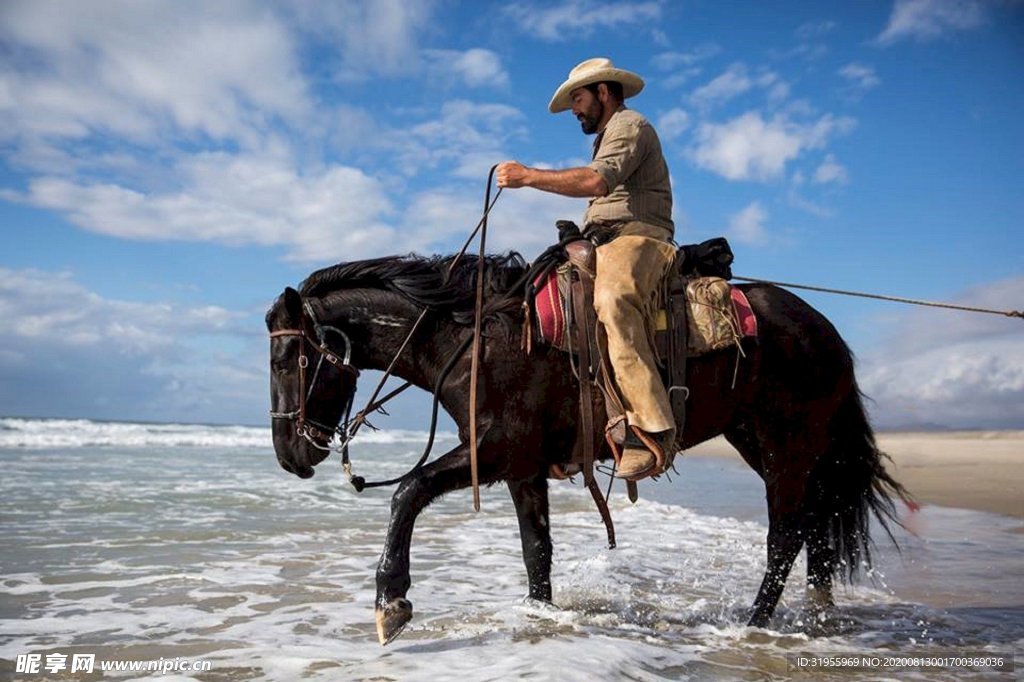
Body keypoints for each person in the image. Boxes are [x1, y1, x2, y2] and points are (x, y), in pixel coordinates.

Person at [496, 57, 677, 481]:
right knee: (549, 303)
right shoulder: (606, 136)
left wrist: (527, 177)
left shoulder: (631, 125)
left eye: (577, 98)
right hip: (603, 240)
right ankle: (578, 429)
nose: (574, 110)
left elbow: (597, 182)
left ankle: (652, 429)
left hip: (639, 236)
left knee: (613, 302)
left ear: (603, 92)